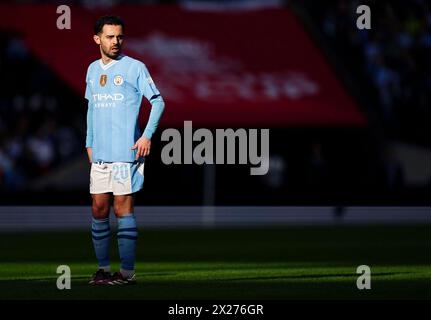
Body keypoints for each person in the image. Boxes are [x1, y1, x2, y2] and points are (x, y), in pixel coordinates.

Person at [85, 16, 165, 285]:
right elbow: (91, 109)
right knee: (98, 209)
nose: (115, 41)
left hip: (126, 152)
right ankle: (103, 270)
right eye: (109, 36)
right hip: (100, 154)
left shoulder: (135, 68)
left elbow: (158, 101)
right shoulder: (92, 70)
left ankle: (127, 273)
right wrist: (89, 143)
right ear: (97, 39)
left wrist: (146, 136)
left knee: (122, 210)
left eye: (119, 36)